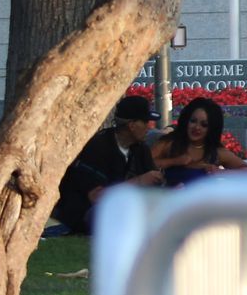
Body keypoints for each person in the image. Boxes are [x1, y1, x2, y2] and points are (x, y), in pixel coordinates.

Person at [53, 95, 164, 234]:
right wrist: (140, 181)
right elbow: (96, 197)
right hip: (86, 214)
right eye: (145, 122)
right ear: (132, 125)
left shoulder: (140, 149)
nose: (149, 127)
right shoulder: (97, 147)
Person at [153, 97, 247, 186]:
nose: (197, 127)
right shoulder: (170, 143)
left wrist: (220, 172)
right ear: (186, 120)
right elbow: (146, 164)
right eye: (193, 121)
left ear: (212, 128)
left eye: (204, 125)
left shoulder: (216, 152)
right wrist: (174, 161)